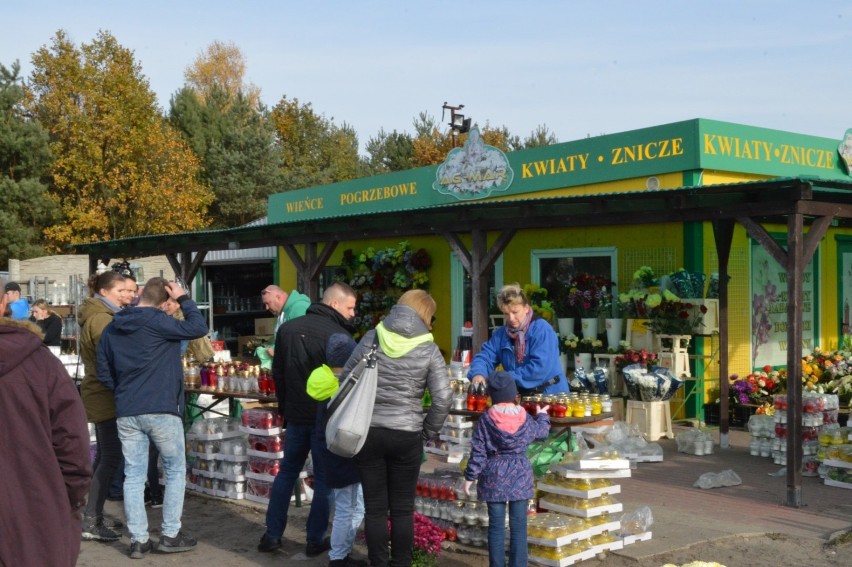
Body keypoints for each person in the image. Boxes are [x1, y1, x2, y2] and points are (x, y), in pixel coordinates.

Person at [97, 277, 209, 558]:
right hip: (161, 408)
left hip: (127, 409)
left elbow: (103, 370)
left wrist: (124, 391)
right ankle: (170, 534)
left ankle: (138, 540)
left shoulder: (113, 326)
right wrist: (184, 298)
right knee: (174, 471)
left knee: (133, 475)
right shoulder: (160, 322)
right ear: (165, 301)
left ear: (140, 295)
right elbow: (198, 327)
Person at [339, 289, 451, 567]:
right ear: (425, 315)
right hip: (407, 434)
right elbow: (444, 398)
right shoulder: (428, 347)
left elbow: (346, 377)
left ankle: (377, 563)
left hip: (369, 431)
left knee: (375, 509)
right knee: (402, 511)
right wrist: (426, 431)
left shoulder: (372, 337)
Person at [258, 282, 358, 558]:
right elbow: (347, 383)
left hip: (296, 413)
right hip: (323, 416)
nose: (353, 313)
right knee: (324, 478)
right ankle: (315, 538)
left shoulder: (287, 329)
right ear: (334, 304)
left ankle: (272, 534)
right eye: (350, 307)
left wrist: (284, 409)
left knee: (288, 471)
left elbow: (277, 374)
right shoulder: (338, 334)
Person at [0, 316, 93, 567]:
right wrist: (64, 500)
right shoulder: (42, 363)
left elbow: (72, 447)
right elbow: (74, 447)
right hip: (34, 509)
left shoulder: (40, 361)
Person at [463, 371, 551, 567]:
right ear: (514, 394)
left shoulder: (486, 419)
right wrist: (543, 416)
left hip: (493, 474)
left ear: (492, 395)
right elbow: (541, 432)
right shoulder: (525, 417)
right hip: (520, 472)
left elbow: (478, 451)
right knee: (519, 525)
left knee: (496, 526)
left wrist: (470, 477)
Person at [306, 330, 368, 567]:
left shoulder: (324, 381)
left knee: (350, 505)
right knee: (347, 507)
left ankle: (342, 553)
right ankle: (338, 558)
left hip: (329, 451)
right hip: (343, 453)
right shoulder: (343, 386)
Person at [78, 271, 128, 542]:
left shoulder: (101, 314)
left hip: (102, 393)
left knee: (104, 457)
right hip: (104, 394)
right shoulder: (100, 318)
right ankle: (90, 520)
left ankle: (92, 512)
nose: (127, 295)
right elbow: (112, 357)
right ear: (106, 291)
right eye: (121, 291)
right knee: (110, 457)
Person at [469, 283, 568, 396]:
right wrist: (478, 373)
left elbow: (539, 369)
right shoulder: (501, 334)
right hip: (520, 396)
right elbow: (485, 357)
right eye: (506, 314)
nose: (511, 318)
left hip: (551, 396)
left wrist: (505, 378)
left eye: (515, 312)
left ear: (526, 308)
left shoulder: (542, 330)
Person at [256, 284, 310, 363]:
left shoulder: (299, 308)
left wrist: (277, 350)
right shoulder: (282, 313)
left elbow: (302, 341)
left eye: (268, 303)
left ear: (278, 297)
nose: (266, 308)